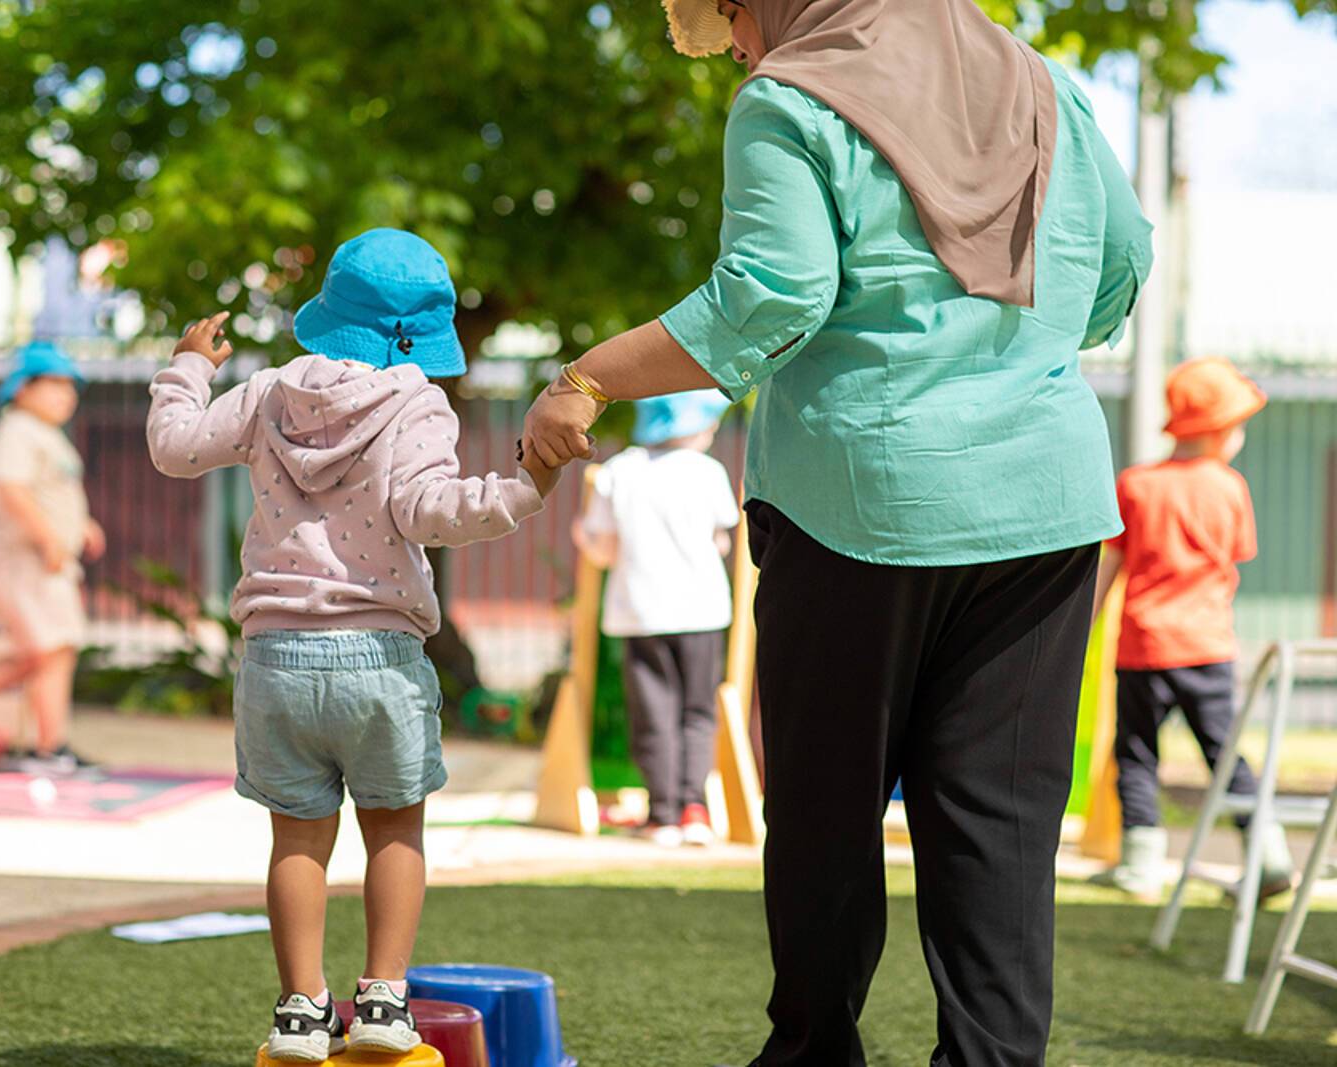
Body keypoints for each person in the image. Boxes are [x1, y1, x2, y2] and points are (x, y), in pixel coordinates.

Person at [521, 2, 1154, 1063]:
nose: (730, 45)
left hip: (863, 505)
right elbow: (1121, 265)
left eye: (721, 18)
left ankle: (812, 1052)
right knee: (1002, 829)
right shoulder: (1047, 86)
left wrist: (585, 379)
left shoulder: (791, 97)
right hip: (1043, 505)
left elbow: (772, 297)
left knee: (826, 812)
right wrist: (1016, 346)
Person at [147, 229, 558, 1063]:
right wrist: (527, 485)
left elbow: (173, 446)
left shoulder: (266, 393)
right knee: (395, 829)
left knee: (297, 837)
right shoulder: (416, 402)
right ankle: (382, 999)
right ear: (420, 334)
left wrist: (189, 364)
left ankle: (300, 1009)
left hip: (275, 660)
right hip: (379, 657)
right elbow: (430, 510)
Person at [1090, 357, 1293, 902]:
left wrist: (1083, 630)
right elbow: (1236, 558)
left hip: (1141, 647)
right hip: (1207, 646)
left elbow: (1109, 568)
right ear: (1220, 429)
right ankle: (1267, 855)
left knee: (1135, 755)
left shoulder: (1135, 484)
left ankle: (1140, 866)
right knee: (1226, 757)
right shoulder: (1230, 489)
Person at [573, 390, 738, 847]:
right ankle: (694, 808)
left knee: (654, 713)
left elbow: (602, 548)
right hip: (703, 610)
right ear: (694, 426)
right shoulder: (709, 472)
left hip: (641, 611)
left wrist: (583, 537)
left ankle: (662, 812)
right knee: (698, 711)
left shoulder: (620, 470)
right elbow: (721, 540)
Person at [0, 340, 105, 776]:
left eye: (69, 386)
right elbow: (11, 488)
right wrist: (49, 537)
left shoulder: (47, 436)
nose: (66, 395)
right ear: (22, 389)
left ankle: (50, 746)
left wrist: (82, 526)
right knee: (40, 650)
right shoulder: (17, 428)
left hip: (49, 563)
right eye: (53, 384)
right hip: (27, 561)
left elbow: (55, 491)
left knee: (57, 650)